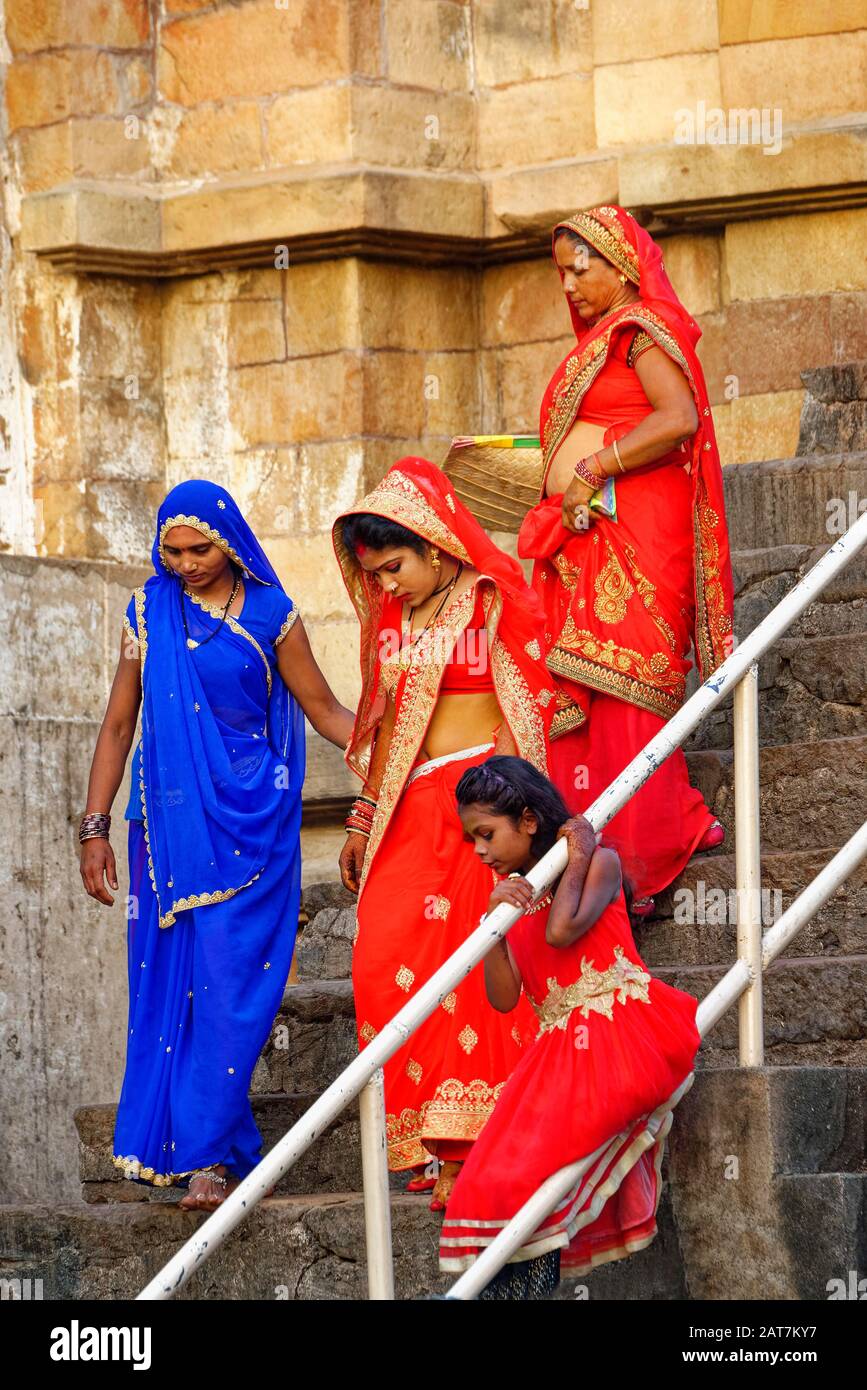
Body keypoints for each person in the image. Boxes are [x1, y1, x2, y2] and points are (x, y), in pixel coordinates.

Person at [79, 479, 355, 1210]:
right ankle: (205, 1156)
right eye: (171, 550)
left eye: (199, 548)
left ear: (230, 541)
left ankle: (210, 1144)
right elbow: (116, 725)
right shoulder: (147, 610)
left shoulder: (272, 614)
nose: (185, 564)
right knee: (177, 989)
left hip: (254, 823)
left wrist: (413, 740)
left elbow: (324, 709)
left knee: (235, 992)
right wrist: (93, 826)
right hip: (165, 831)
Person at [333, 458, 555, 1209]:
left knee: (472, 965)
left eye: (394, 567)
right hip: (406, 809)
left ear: (434, 546)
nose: (385, 585)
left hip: (478, 808)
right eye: (374, 572)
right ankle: (421, 1140)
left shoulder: (488, 601)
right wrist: (364, 816)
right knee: (381, 958)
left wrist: (508, 816)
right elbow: (391, 724)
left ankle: (471, 1145)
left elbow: (527, 702)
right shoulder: (395, 619)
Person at [518, 203, 734, 914]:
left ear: (623, 266)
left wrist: (591, 469)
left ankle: (652, 842)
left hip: (641, 530)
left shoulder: (641, 331)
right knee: (597, 692)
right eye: (560, 274)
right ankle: (600, 845)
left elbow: (677, 421)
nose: (569, 286)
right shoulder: (603, 339)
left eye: (581, 269)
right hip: (595, 532)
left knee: (631, 680)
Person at [438, 755, 701, 1295]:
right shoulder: (513, 896)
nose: (480, 850)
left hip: (618, 1032)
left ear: (529, 821)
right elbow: (504, 997)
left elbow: (560, 932)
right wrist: (493, 925)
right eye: (472, 840)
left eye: (486, 834)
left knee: (530, 1174)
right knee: (490, 1179)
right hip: (559, 1050)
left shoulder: (599, 862)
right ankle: (513, 1290)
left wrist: (576, 854)